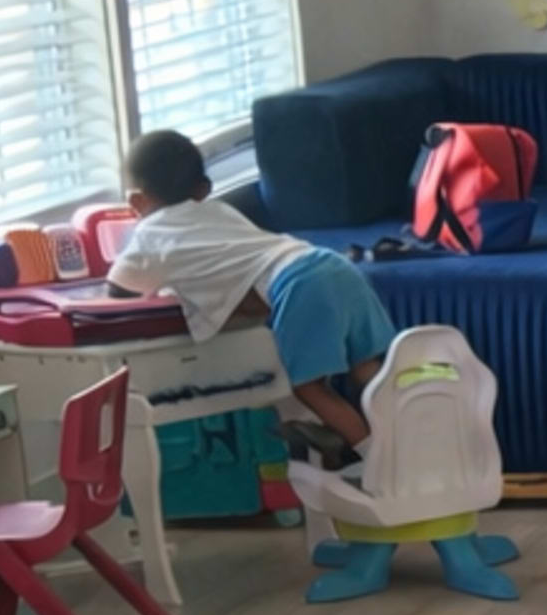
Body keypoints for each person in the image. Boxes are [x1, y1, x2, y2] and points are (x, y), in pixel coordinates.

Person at [105, 131, 395, 459]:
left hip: (301, 283)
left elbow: (116, 292)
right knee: (367, 368)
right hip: (331, 263)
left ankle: (378, 460)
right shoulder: (220, 212)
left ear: (135, 202)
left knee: (307, 387)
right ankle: (405, 440)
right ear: (204, 189)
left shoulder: (149, 235)